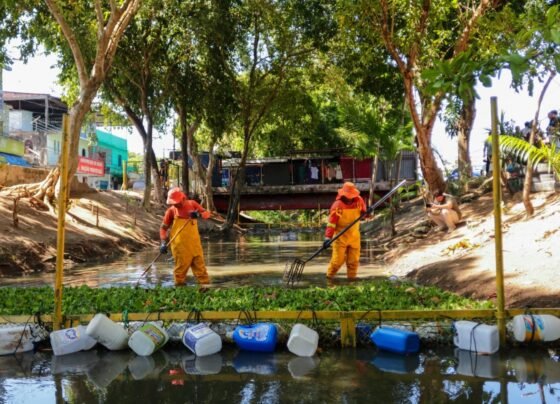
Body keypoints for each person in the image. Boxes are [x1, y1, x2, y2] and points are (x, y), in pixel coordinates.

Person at [159, 187, 211, 286]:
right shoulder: (171, 211)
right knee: (180, 271)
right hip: (180, 247)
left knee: (201, 271)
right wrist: (163, 243)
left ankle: (205, 290)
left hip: (195, 246)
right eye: (173, 203)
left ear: (183, 198)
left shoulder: (192, 204)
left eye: (177, 202)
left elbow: (207, 214)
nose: (175, 204)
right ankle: (180, 290)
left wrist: (199, 215)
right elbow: (163, 228)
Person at [323, 182, 367, 280]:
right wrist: (327, 238)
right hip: (340, 237)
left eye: (351, 196)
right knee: (337, 262)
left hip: (354, 236)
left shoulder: (359, 201)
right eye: (348, 196)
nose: (350, 198)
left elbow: (364, 214)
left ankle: (352, 281)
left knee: (353, 261)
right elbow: (331, 224)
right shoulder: (337, 205)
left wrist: (367, 213)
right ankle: (329, 279)